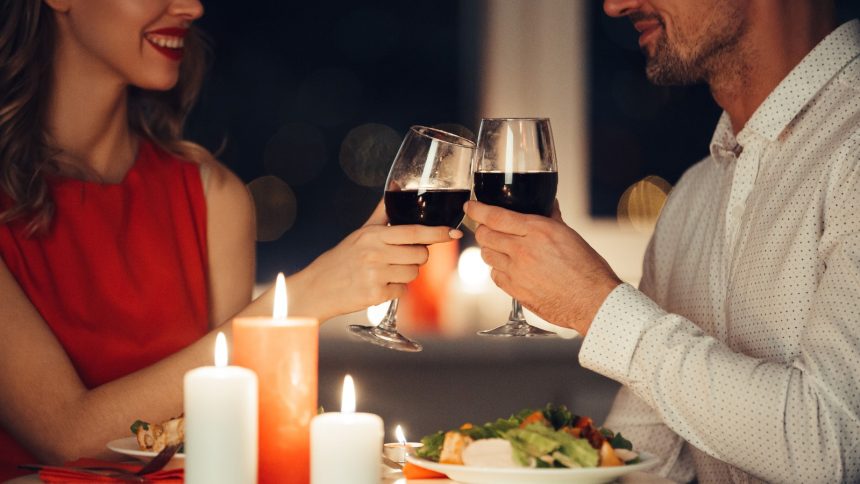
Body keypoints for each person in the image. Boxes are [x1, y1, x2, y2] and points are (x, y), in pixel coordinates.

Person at [0, 0, 460, 479]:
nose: (192, 7)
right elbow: (62, 438)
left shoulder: (211, 195)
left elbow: (237, 439)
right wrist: (301, 301)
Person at [466, 0, 860, 482]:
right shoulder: (692, 198)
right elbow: (642, 462)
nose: (614, 5)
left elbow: (834, 448)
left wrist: (594, 304)